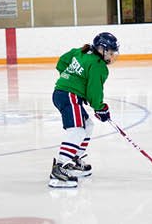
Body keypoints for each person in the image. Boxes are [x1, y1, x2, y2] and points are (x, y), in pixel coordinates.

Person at [48, 32, 118, 188]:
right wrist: (100, 108)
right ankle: (60, 168)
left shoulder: (81, 51)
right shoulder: (98, 66)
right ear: (100, 49)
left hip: (62, 93)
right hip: (68, 95)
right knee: (77, 130)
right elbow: (94, 90)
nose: (112, 55)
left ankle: (73, 160)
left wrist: (72, 81)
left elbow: (61, 63)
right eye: (110, 52)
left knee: (87, 125)